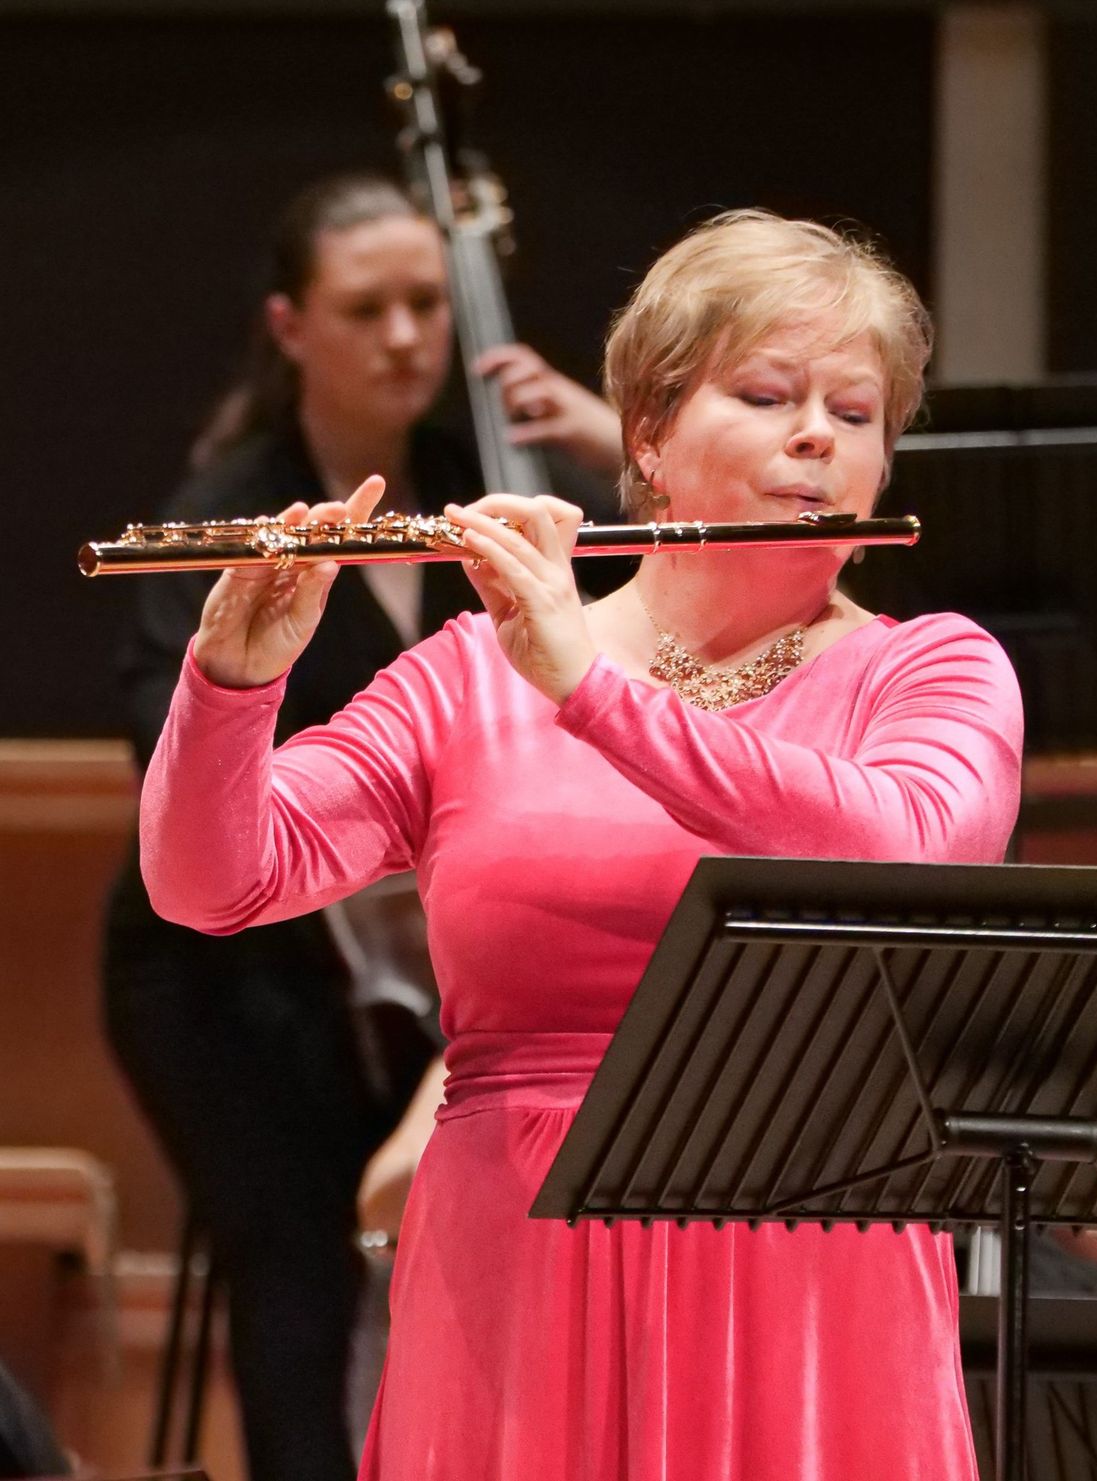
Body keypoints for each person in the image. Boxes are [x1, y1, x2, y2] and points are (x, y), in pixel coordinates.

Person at [136, 209, 1024, 1480]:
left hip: (814, 1250)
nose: (818, 433)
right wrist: (232, 684)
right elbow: (212, 881)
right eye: (768, 394)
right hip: (518, 1256)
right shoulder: (466, 678)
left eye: (858, 410)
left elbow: (899, 849)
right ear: (650, 435)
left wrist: (593, 688)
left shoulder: (933, 669)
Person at [102, 170, 622, 1481]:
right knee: (299, 1262)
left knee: (454, 1255)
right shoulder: (218, 509)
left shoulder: (475, 488)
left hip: (426, 983)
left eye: (425, 307)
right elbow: (182, 778)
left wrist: (611, 451)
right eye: (367, 306)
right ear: (291, 327)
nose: (405, 335)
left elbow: (628, 646)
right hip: (234, 979)